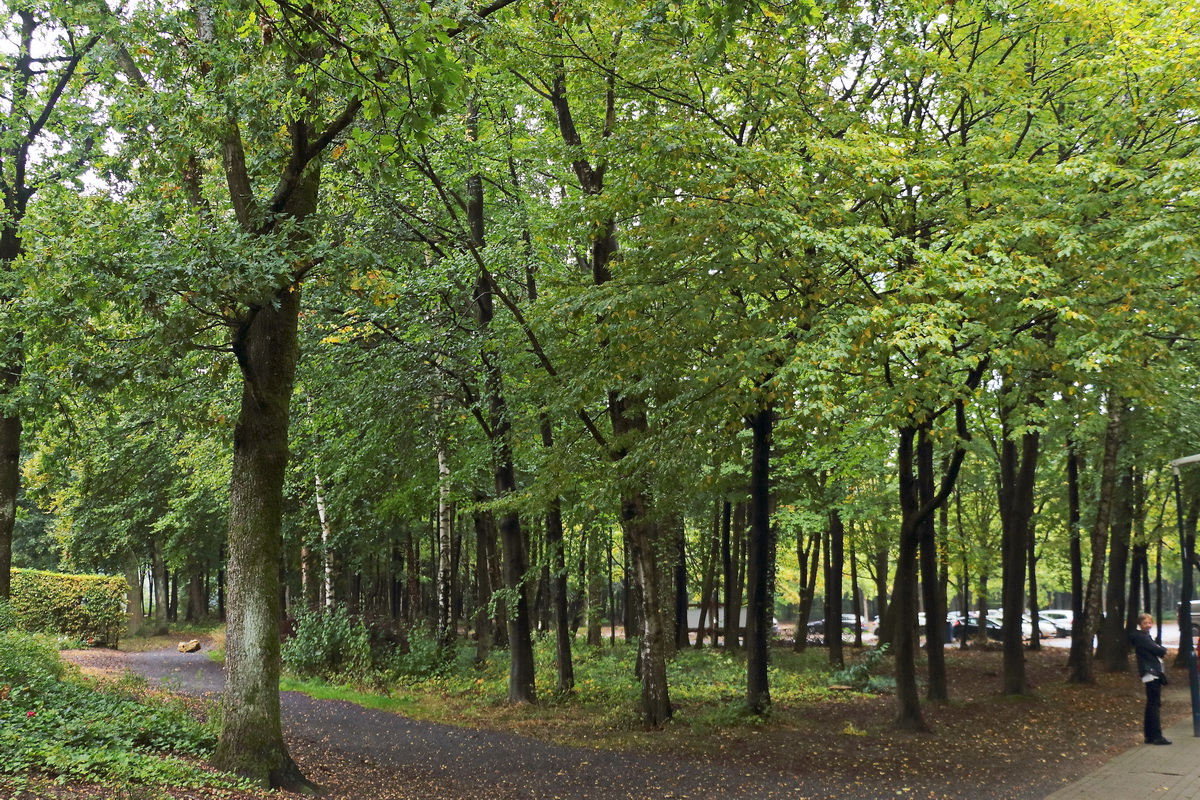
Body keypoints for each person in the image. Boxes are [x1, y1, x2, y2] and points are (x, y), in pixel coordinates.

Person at [1129, 612, 1170, 745]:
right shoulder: (1142, 638)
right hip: (1151, 672)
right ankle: (1156, 736)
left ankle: (1150, 735)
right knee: (1154, 704)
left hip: (1150, 672)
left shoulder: (1145, 637)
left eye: (1150, 623)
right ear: (1140, 624)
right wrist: (1161, 649)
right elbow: (1159, 651)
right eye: (1145, 623)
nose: (1148, 625)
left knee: (1151, 703)